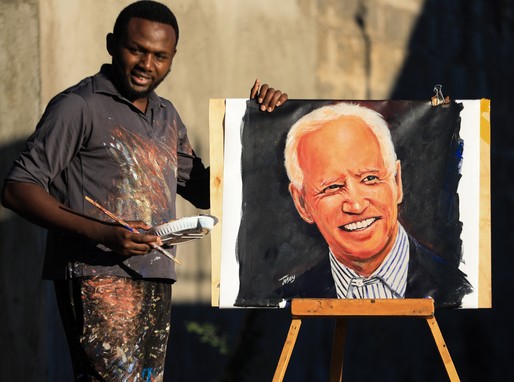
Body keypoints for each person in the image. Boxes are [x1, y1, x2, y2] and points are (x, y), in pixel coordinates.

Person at [1, 1, 287, 380]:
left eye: (159, 56)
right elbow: (18, 188)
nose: (146, 64)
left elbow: (207, 191)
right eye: (136, 50)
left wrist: (256, 127)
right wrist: (104, 232)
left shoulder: (166, 114)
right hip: (98, 278)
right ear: (111, 44)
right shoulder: (78, 106)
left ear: (172, 59)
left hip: (155, 276)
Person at [283, 102, 471, 307]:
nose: (356, 205)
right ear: (302, 203)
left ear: (397, 181)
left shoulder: (458, 290)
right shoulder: (289, 299)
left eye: (370, 178)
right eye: (332, 187)